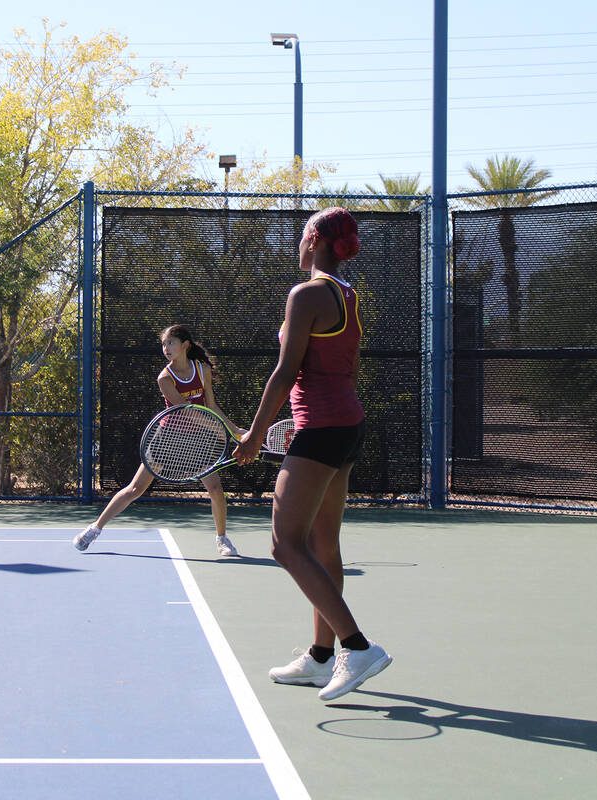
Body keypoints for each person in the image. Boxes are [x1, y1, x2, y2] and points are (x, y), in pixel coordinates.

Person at [233, 207, 391, 702]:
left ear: (316, 240)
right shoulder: (347, 295)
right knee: (324, 544)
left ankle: (357, 647)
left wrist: (255, 434)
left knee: (285, 544)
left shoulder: (305, 295)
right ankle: (321, 658)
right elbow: (341, 365)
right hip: (345, 425)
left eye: (302, 235)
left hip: (322, 429)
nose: (298, 244)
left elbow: (286, 372)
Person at [74, 324, 244, 557]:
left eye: (171, 342)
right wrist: (218, 428)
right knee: (135, 489)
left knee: (215, 488)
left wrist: (235, 430)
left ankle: (222, 539)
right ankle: (95, 529)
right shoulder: (164, 378)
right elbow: (187, 411)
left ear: (185, 345)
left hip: (197, 439)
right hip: (167, 438)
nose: (166, 348)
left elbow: (211, 406)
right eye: (164, 344)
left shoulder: (202, 369)